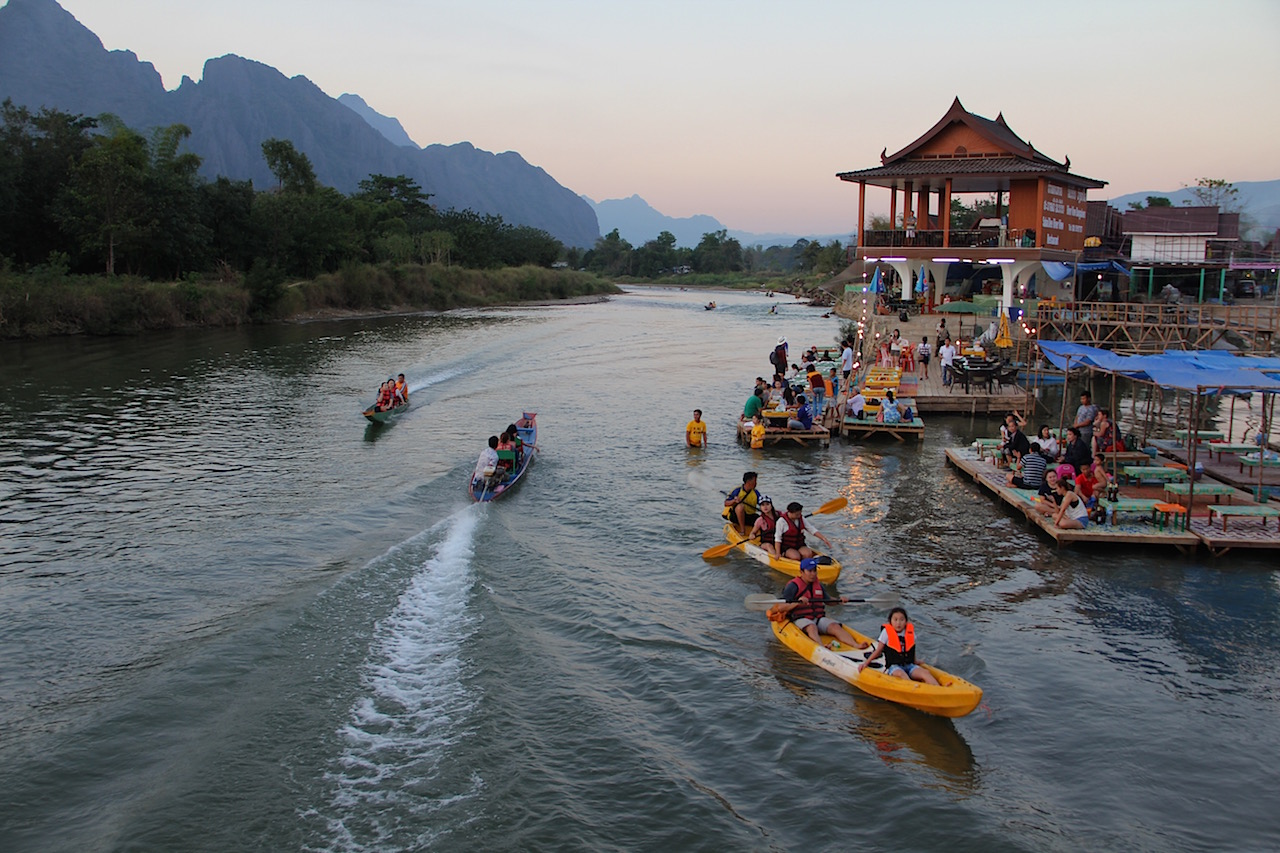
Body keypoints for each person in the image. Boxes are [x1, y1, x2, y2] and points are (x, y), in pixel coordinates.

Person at [777, 559, 869, 649]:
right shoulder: (793, 586)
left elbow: (828, 600)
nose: (813, 574)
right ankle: (821, 647)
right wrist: (797, 603)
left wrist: (839, 601)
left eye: (814, 571)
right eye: (809, 571)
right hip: (801, 618)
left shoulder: (818, 585)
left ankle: (855, 645)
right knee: (812, 627)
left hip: (818, 618)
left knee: (835, 626)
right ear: (802, 572)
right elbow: (780, 607)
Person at [859, 607, 940, 685]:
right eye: (895, 619)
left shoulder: (910, 632)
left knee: (925, 673)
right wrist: (866, 663)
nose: (898, 623)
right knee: (902, 674)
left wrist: (915, 661)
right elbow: (878, 651)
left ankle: (938, 688)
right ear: (890, 621)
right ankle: (914, 688)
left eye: (901, 620)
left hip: (909, 665)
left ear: (906, 621)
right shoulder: (886, 633)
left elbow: (911, 649)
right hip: (894, 667)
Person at [724, 471, 760, 536]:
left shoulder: (756, 492)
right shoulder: (737, 491)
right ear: (749, 482)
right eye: (755, 481)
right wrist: (734, 501)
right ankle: (742, 530)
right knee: (740, 507)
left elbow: (762, 503)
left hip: (750, 516)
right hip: (736, 517)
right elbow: (726, 503)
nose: (756, 483)